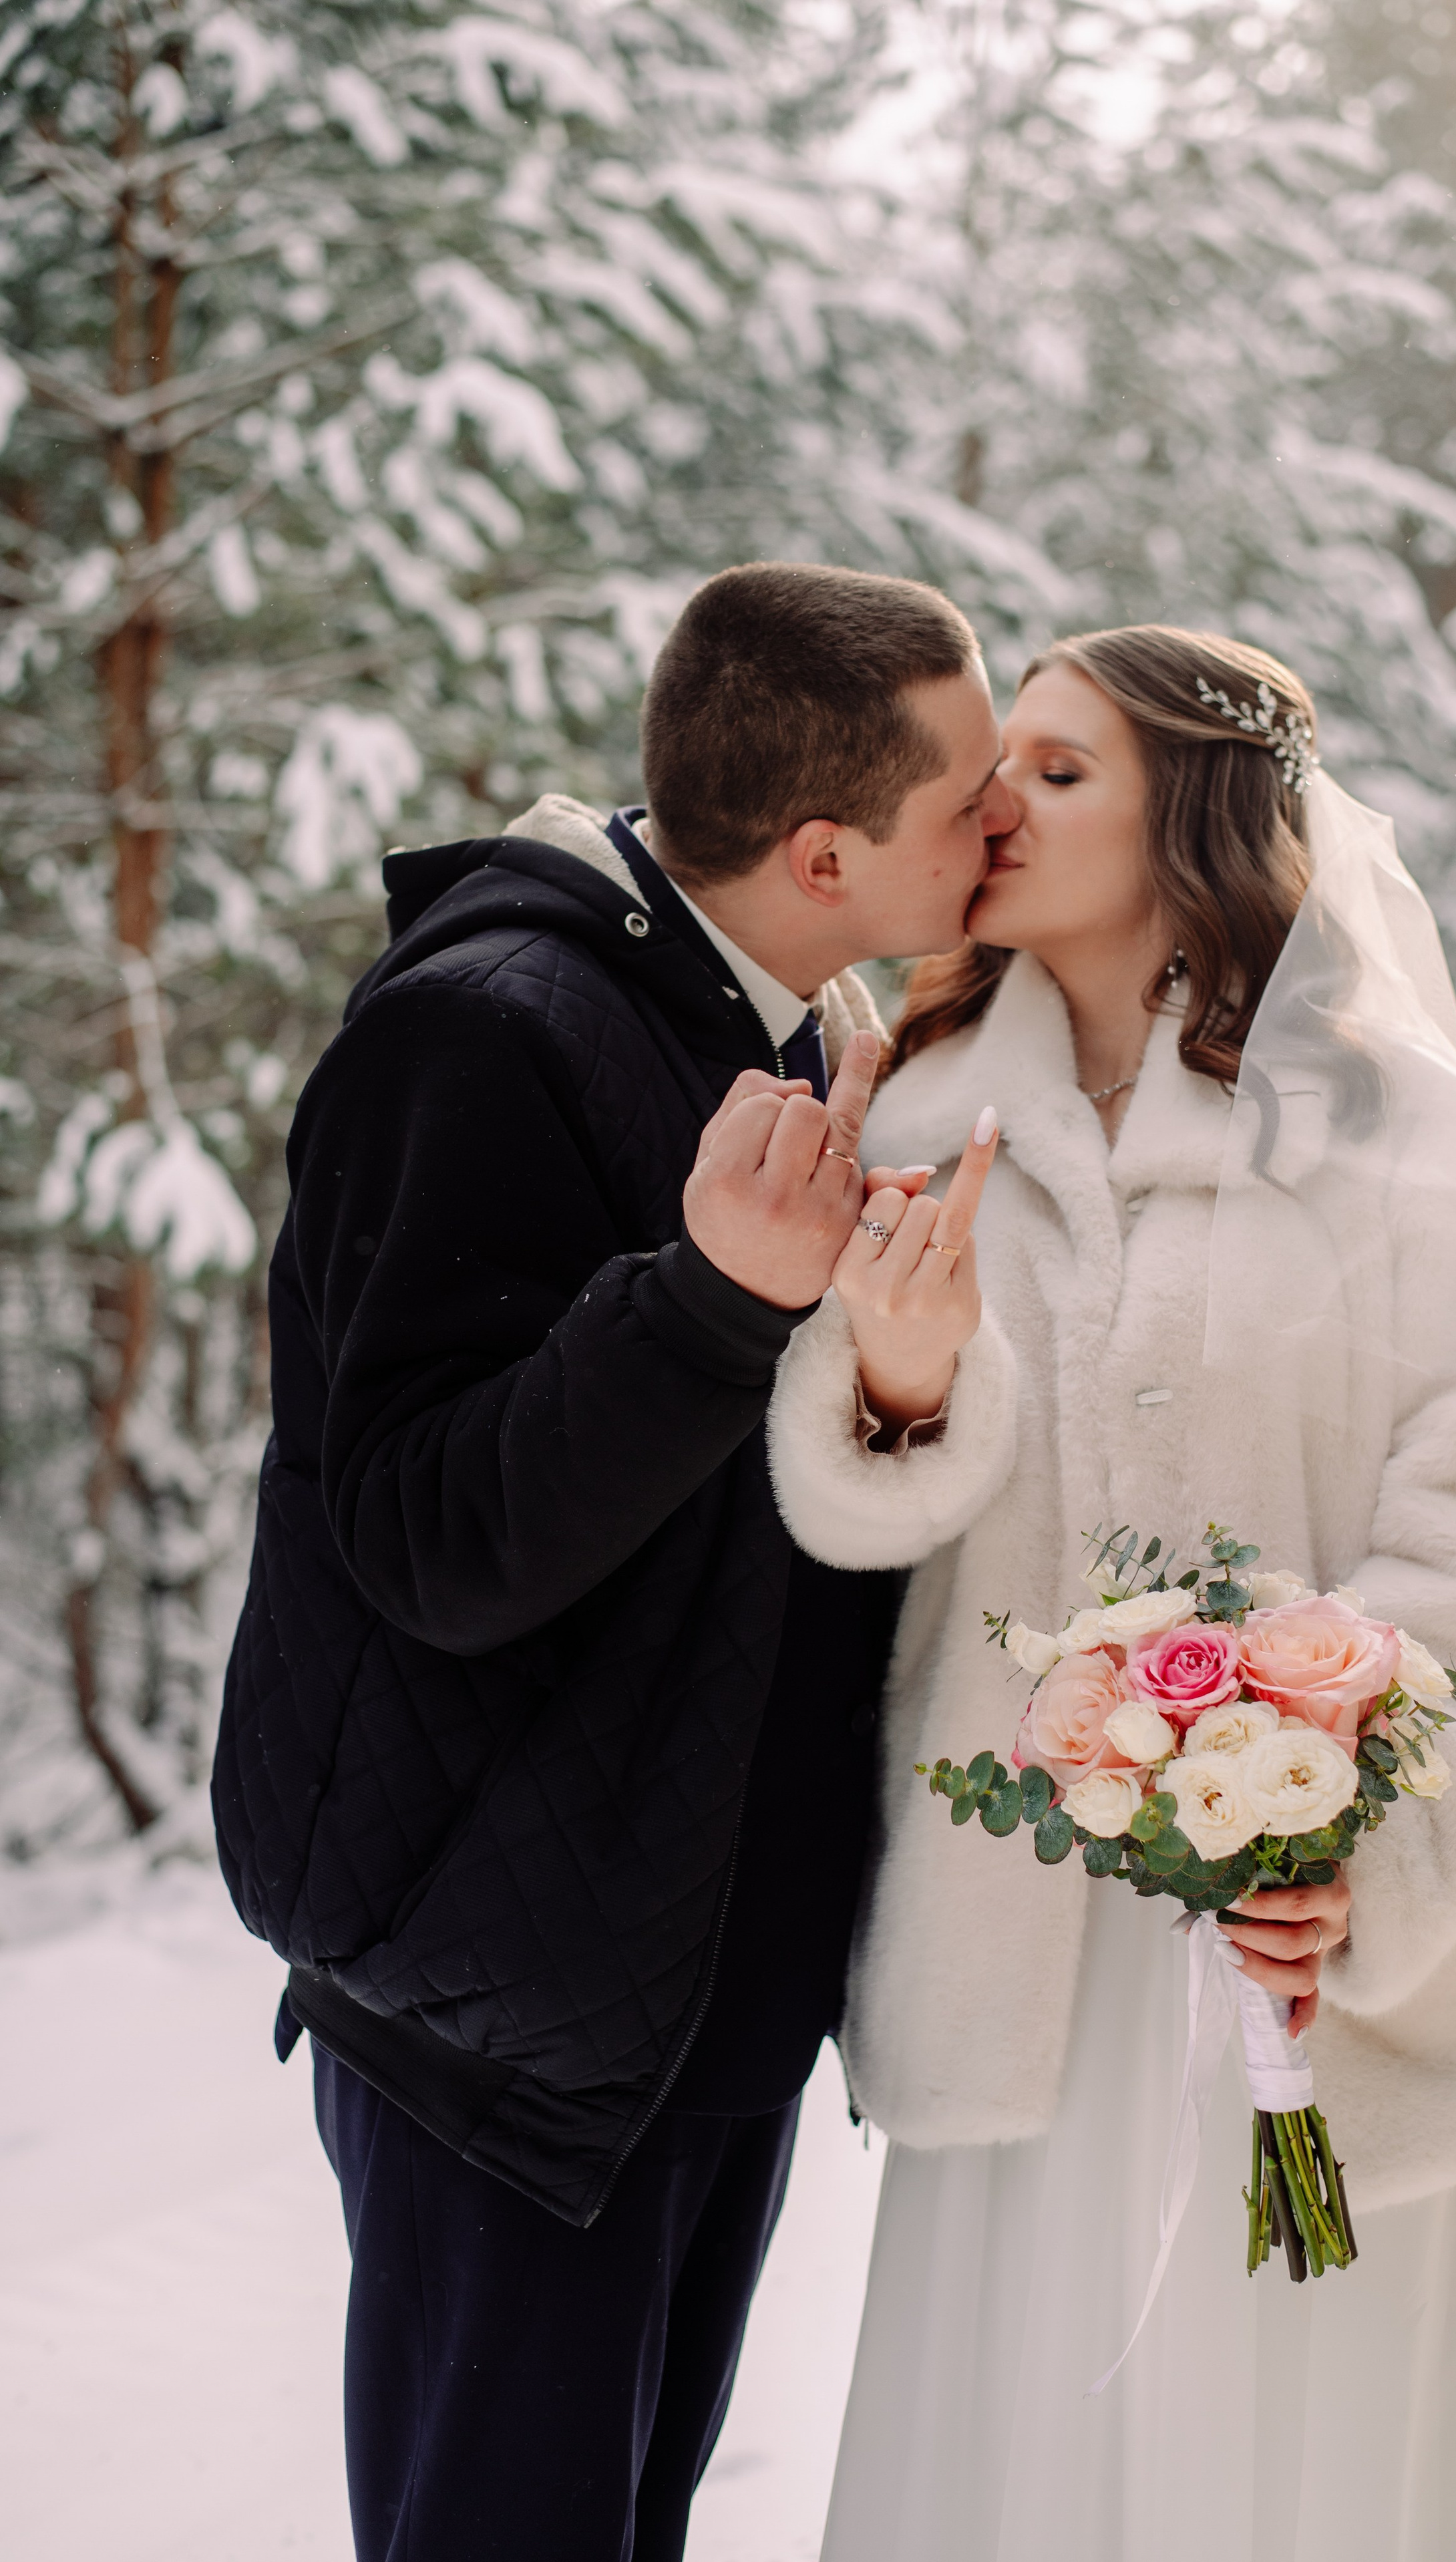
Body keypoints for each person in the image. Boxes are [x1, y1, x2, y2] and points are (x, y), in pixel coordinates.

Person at [765, 625, 1456, 2561]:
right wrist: (900, 1398)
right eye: (999, 766)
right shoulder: (912, 1129)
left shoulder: (1388, 1130)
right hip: (1024, 1962)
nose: (997, 803)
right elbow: (848, 1571)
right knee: (1033, 2458)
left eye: (1061, 772)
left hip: (1318, 1964)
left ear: (1204, 815)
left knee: (1323, 2463)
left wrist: (1360, 1841)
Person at [212, 561, 1020, 2562]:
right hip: (507, 2027)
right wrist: (714, 1298)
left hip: (679, 1995)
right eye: (969, 799)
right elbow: (426, 1534)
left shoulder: (769, 1019)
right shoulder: (485, 1032)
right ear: (826, 850)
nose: (1002, 827)